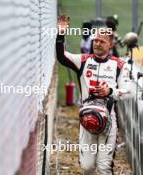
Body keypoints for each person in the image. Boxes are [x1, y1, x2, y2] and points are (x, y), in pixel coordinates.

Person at [55, 15, 131, 174]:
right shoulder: (83, 60)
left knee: (104, 168)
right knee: (87, 167)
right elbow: (62, 57)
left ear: (110, 44)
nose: (97, 43)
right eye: (95, 40)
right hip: (87, 121)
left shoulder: (119, 65)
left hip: (109, 122)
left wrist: (110, 91)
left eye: (101, 41)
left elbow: (127, 92)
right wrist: (61, 34)